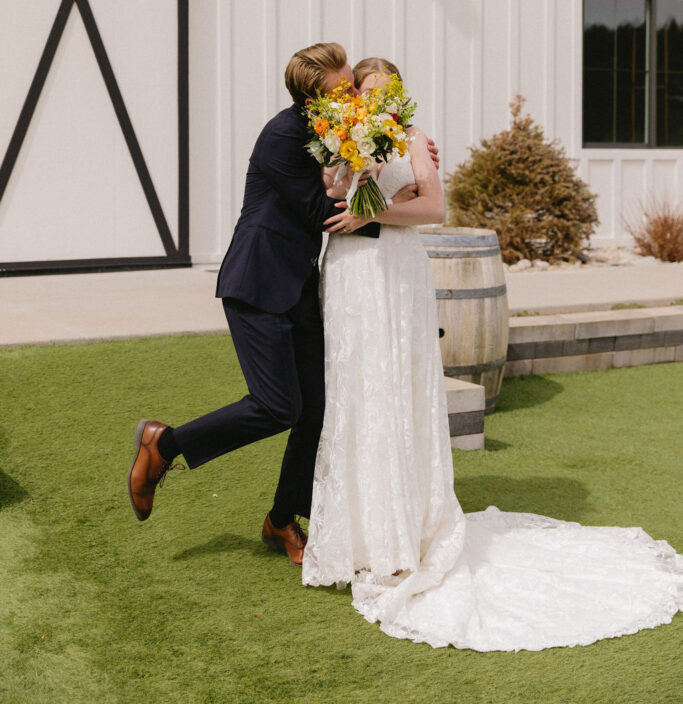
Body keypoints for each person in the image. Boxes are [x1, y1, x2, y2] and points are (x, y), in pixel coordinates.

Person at [302, 57, 683, 652]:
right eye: (361, 90)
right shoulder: (339, 134)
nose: (369, 97)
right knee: (356, 390)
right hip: (350, 272)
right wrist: (345, 166)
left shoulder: (415, 137)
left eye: (380, 90)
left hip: (393, 270)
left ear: (397, 93)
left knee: (394, 387)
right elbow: (332, 193)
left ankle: (404, 531)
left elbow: (434, 209)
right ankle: (359, 532)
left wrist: (372, 204)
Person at [127, 43, 430, 565]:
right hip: (258, 284)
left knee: (315, 410)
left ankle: (281, 520)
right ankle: (164, 446)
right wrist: (401, 192)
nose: (354, 97)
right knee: (277, 407)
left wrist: (402, 152)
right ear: (315, 101)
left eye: (352, 86)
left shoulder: (334, 127)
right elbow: (323, 211)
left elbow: (357, 164)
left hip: (302, 288)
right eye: (343, 92)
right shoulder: (284, 138)